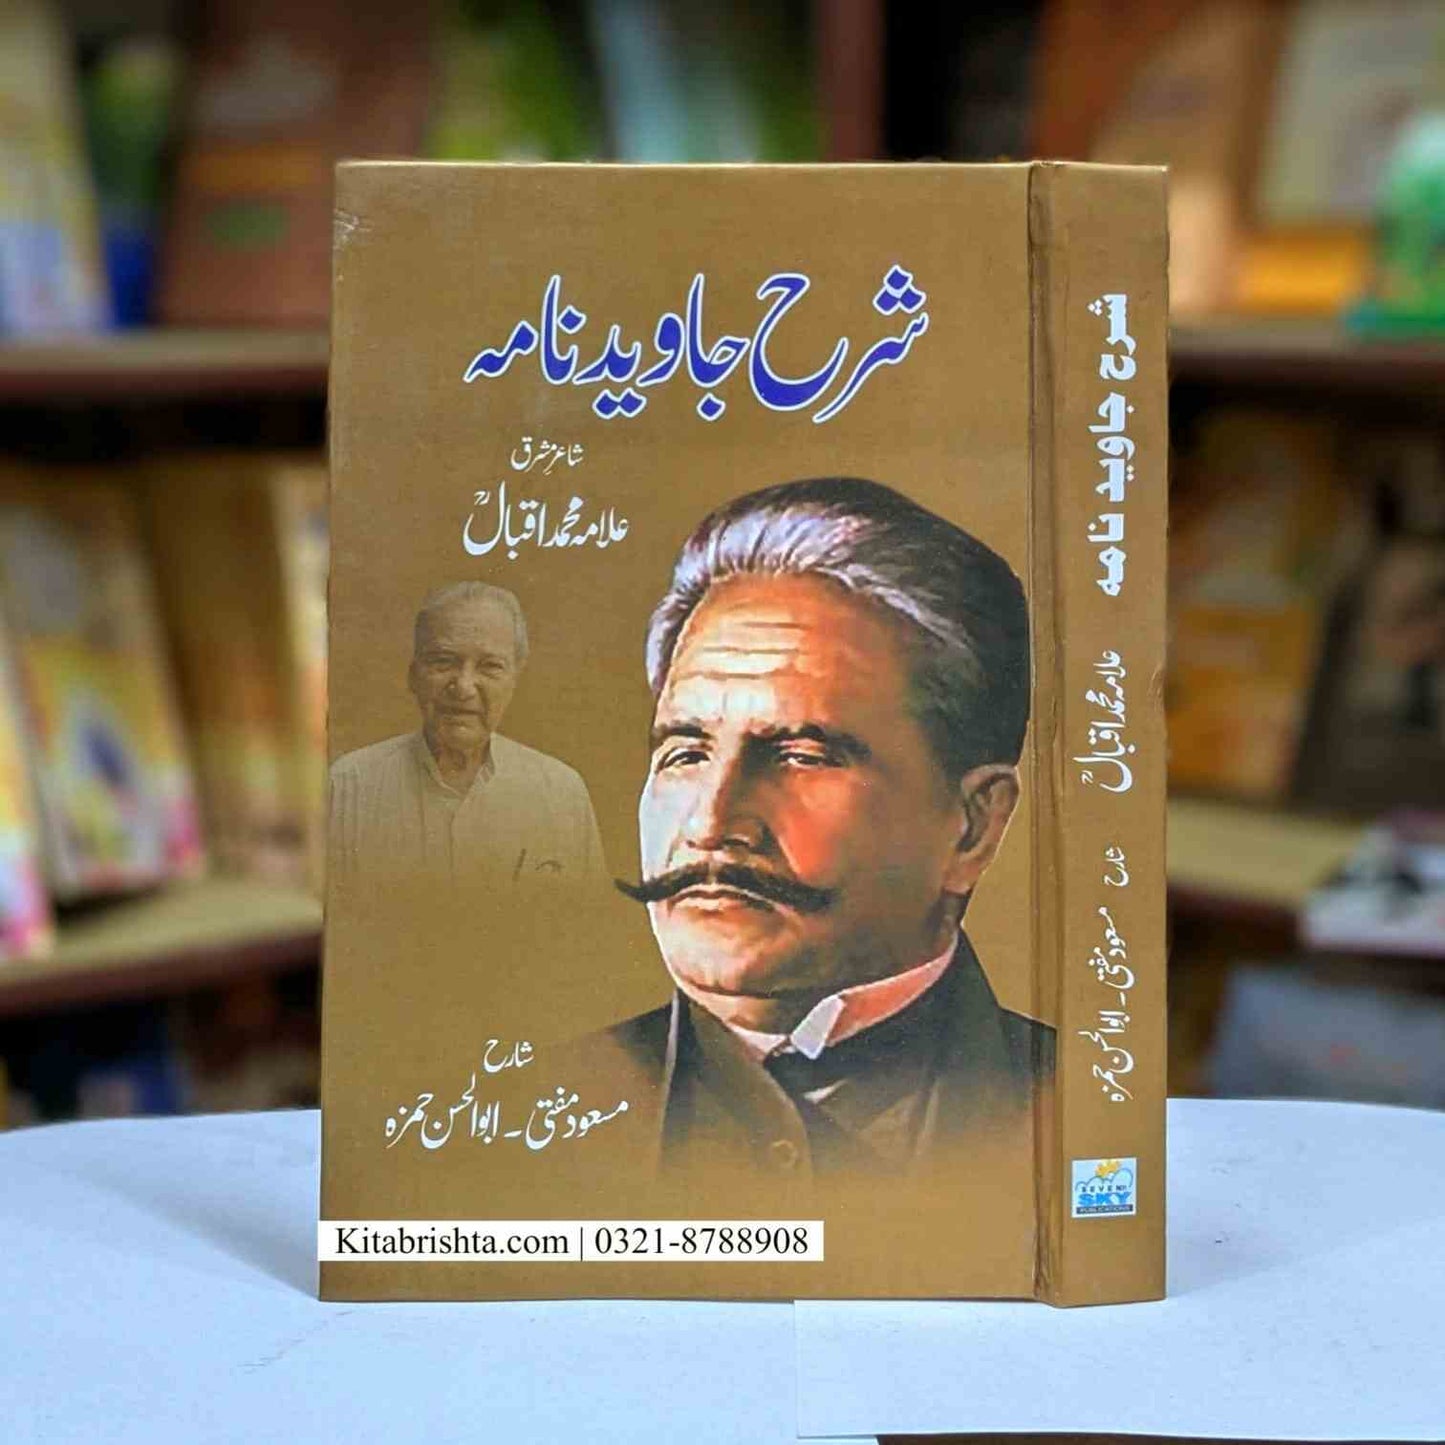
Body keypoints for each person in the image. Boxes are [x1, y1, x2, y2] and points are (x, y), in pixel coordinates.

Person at [591, 476, 1054, 1180]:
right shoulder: (532, 1110)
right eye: (686, 754)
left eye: (801, 757)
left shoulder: (1080, 1108)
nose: (711, 823)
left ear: (972, 827)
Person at [329, 582, 604, 888]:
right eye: (443, 661)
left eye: (489, 666)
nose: (463, 687)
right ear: (413, 675)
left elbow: (585, 914)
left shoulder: (562, 794)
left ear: (514, 680)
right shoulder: (348, 787)